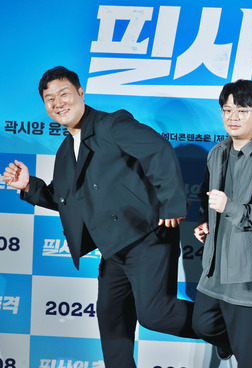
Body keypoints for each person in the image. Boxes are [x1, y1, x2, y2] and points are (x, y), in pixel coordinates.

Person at [2, 66, 196, 368]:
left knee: (155, 315)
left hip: (146, 237)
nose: (58, 103)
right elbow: (65, 200)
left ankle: (243, 330)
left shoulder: (112, 124)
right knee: (111, 319)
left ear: (80, 93)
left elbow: (158, 150)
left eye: (64, 94)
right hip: (114, 250)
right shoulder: (65, 151)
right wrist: (29, 186)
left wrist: (172, 203)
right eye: (49, 99)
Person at [192, 79, 252, 368]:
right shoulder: (217, 153)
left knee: (250, 361)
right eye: (226, 110)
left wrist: (228, 207)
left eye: (242, 110)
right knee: (203, 325)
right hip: (217, 268)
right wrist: (206, 222)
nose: (232, 117)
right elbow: (206, 196)